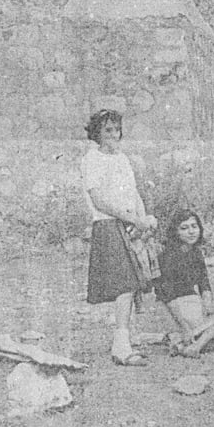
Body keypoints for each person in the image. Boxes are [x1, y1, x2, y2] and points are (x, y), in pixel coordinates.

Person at [81, 109, 157, 367]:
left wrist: (142, 220)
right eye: (107, 130)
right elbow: (99, 199)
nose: (113, 135)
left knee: (135, 282)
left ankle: (125, 338)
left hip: (129, 224)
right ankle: (121, 346)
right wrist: (130, 219)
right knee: (125, 285)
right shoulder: (92, 159)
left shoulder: (123, 159)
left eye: (116, 129)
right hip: (108, 224)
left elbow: (133, 193)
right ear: (97, 134)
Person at [155, 209, 214, 358]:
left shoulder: (195, 252)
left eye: (194, 226)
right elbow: (166, 295)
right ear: (175, 232)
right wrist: (184, 327)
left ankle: (183, 344)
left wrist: (207, 300)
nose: (191, 232)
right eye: (184, 228)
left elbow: (203, 280)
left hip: (193, 302)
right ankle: (197, 345)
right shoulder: (167, 256)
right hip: (175, 307)